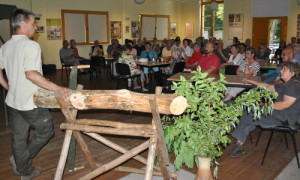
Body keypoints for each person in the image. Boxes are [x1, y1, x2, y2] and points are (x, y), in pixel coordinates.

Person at [0, 8, 70, 179]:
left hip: (13, 101)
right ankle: (20, 161)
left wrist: (9, 87)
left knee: (18, 139)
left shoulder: (6, 46)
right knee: (46, 131)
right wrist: (58, 88)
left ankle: (25, 171)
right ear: (23, 24)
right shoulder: (31, 45)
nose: (35, 27)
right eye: (33, 23)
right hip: (31, 102)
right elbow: (31, 74)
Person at [229, 61, 300, 158]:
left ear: (293, 73)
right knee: (249, 112)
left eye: (284, 69)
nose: (281, 71)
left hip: (284, 119)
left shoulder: (294, 85)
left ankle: (239, 144)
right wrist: (250, 81)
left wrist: (265, 105)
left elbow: (285, 105)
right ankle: (239, 144)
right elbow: (268, 87)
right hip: (278, 114)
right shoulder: (286, 84)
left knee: (249, 112)